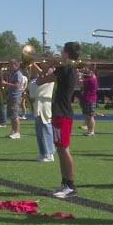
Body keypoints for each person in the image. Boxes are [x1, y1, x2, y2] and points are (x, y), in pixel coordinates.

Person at [37, 42, 81, 198]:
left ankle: (70, 186)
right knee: (61, 150)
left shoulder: (66, 69)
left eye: (63, 52)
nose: (60, 54)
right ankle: (64, 183)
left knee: (64, 150)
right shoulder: (67, 69)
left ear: (67, 54)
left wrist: (48, 64)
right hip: (60, 113)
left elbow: (41, 80)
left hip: (62, 114)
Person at [29, 63, 55, 162]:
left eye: (47, 67)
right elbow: (32, 91)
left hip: (45, 106)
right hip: (37, 106)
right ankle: (42, 153)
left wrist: (34, 63)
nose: (44, 69)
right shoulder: (37, 80)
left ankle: (49, 154)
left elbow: (46, 73)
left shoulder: (51, 78)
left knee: (46, 129)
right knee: (39, 131)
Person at [2, 59, 23, 139]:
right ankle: (14, 131)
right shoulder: (13, 73)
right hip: (11, 96)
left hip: (16, 97)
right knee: (11, 115)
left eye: (11, 65)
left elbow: (17, 85)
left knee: (15, 115)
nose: (9, 66)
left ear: (16, 65)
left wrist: (6, 83)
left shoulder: (18, 74)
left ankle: (17, 132)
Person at [80, 68, 99, 137]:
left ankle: (92, 131)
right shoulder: (92, 79)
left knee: (90, 116)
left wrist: (80, 75)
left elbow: (80, 82)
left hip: (90, 100)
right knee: (87, 116)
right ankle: (89, 131)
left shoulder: (90, 80)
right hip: (86, 99)